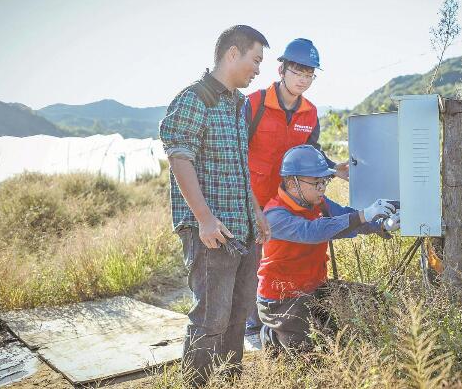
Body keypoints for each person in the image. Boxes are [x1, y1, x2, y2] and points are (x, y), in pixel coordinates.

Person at [159, 25, 271, 386]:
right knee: (210, 319)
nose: (258, 70)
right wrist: (204, 220)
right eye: (255, 60)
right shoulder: (194, 99)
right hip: (212, 235)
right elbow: (179, 158)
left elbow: (240, 167)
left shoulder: (239, 105)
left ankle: (229, 382)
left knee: (238, 316)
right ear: (232, 54)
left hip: (243, 230)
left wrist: (256, 212)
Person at [243, 38, 348, 339]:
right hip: (251, 199)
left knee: (280, 259)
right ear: (281, 69)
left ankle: (273, 326)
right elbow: (236, 152)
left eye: (309, 74)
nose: (303, 79)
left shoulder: (310, 113)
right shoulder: (255, 104)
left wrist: (333, 169)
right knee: (251, 261)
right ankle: (253, 327)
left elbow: (311, 151)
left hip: (288, 202)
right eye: (298, 71)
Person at [256, 145, 400, 352]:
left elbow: (346, 217)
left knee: (377, 302)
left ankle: (295, 330)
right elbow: (314, 232)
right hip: (281, 299)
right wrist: (363, 215)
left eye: (325, 181)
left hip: (314, 288)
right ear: (291, 183)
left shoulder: (318, 202)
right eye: (316, 182)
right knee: (311, 355)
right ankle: (273, 335)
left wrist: (380, 224)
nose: (322, 187)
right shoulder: (275, 216)